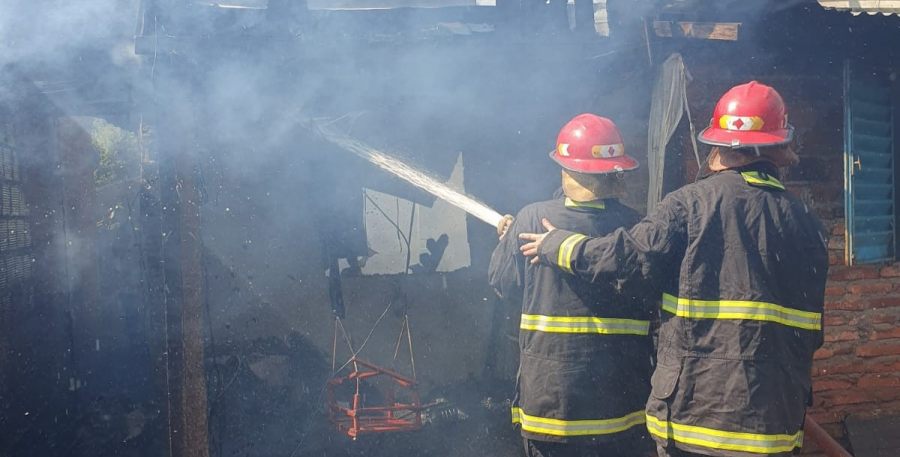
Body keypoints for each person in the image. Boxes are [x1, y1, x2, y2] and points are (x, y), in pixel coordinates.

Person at [519, 82, 828, 457]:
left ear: (718, 150)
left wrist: (561, 246)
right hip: (774, 425)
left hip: (698, 422)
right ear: (780, 148)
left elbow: (629, 262)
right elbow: (812, 332)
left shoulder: (689, 204)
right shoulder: (807, 223)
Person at [490, 113, 655, 457]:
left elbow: (502, 284)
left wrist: (506, 243)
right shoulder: (637, 228)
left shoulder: (532, 218)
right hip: (621, 409)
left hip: (554, 410)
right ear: (616, 171)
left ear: (566, 167)